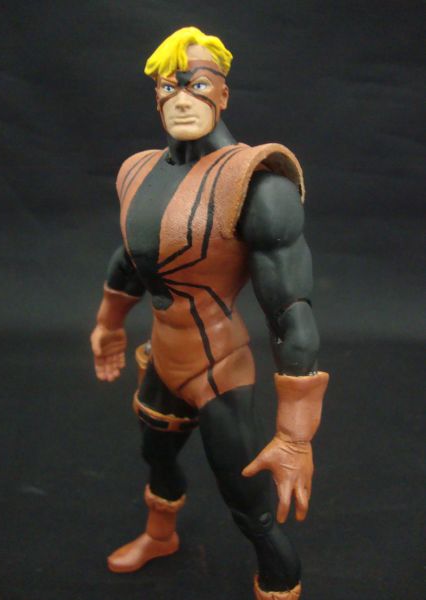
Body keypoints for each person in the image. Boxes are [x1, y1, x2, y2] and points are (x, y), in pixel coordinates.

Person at [90, 27, 329, 600]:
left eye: (196, 84)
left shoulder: (257, 184)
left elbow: (290, 309)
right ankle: (160, 535)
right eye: (167, 87)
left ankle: (280, 582)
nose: (181, 99)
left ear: (223, 93)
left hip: (218, 366)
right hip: (163, 355)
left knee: (245, 494)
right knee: (156, 454)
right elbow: (131, 259)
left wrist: (295, 434)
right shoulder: (138, 170)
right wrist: (108, 322)